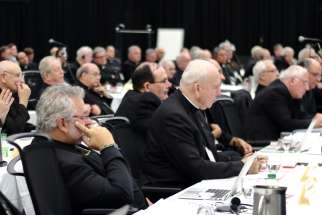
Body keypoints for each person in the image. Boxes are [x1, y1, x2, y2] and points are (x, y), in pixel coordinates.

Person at [143, 59, 265, 187]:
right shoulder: (173, 116)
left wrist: (245, 160)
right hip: (177, 190)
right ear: (197, 88)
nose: (219, 93)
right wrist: (242, 166)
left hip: (195, 184)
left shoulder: (194, 108)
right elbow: (195, 168)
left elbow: (209, 156)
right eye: (216, 87)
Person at [32, 85, 145, 214]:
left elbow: (124, 178)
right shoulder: (65, 161)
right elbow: (122, 195)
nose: (88, 122)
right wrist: (108, 147)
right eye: (83, 117)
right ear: (62, 124)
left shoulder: (58, 146)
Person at [246, 65, 322, 142]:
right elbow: (287, 124)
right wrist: (313, 122)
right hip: (264, 143)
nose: (307, 88)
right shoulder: (275, 93)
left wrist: (316, 119)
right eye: (305, 82)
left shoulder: (287, 92)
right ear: (293, 81)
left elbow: (299, 115)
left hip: (278, 140)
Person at [116, 62, 171, 134]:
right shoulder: (145, 102)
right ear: (147, 86)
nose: (169, 84)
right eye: (164, 81)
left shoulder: (133, 97)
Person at [0, 60, 33, 134]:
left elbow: (23, 124)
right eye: (18, 75)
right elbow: (15, 130)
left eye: (22, 76)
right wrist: (23, 102)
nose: (22, 81)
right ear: (3, 77)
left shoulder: (14, 94)